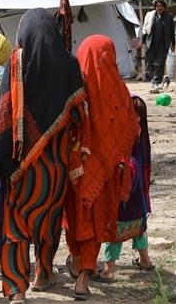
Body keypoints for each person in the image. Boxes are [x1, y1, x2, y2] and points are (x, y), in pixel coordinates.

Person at [0, 9, 88, 304]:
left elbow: (5, 111)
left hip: (22, 165)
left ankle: (17, 291)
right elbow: (79, 117)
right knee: (48, 223)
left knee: (16, 228)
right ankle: (43, 274)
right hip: (55, 168)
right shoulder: (69, 65)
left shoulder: (17, 62)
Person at [66, 35, 139, 301]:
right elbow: (132, 129)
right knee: (96, 223)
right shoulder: (120, 91)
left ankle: (76, 263)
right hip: (105, 172)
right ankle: (83, 278)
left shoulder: (74, 90)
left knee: (76, 219)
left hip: (76, 170)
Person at [95, 95, 155, 282]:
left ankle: (108, 270)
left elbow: (126, 158)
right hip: (137, 190)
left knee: (115, 229)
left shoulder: (129, 132)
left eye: (134, 114)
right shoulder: (140, 133)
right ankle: (145, 261)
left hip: (126, 188)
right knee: (138, 228)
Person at [141, 0, 175, 87]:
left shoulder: (168, 17)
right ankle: (156, 78)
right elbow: (145, 29)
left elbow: (172, 31)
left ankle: (156, 80)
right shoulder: (150, 16)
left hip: (163, 44)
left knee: (160, 63)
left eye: (161, 6)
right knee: (150, 62)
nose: (159, 8)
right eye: (158, 6)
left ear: (164, 7)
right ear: (155, 7)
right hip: (151, 43)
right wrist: (143, 41)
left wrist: (173, 43)